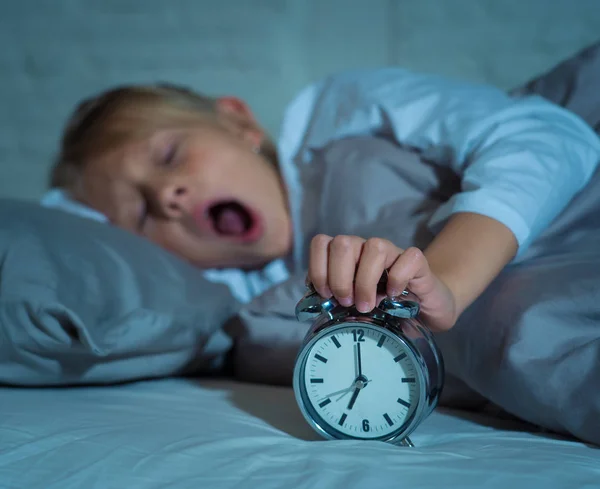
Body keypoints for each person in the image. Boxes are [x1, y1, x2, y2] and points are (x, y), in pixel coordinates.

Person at [42, 68, 600, 332]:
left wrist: (450, 280)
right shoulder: (239, 301)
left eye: (169, 157)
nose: (168, 195)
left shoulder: (340, 113)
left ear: (238, 122)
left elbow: (548, 137)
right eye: (140, 213)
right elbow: (62, 241)